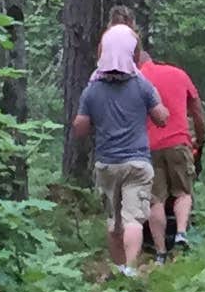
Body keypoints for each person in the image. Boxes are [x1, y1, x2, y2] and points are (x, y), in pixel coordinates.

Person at [70, 20, 167, 278]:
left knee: (115, 221)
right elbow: (161, 118)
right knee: (134, 219)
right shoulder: (142, 85)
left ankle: (119, 268)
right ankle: (131, 268)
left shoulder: (93, 89)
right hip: (137, 162)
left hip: (107, 163)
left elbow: (80, 128)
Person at [138, 32, 205, 259]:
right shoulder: (178, 74)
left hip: (148, 147)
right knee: (183, 192)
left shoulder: (136, 79)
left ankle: (159, 252)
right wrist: (200, 138)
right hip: (178, 142)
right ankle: (181, 233)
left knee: (155, 199)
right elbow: (197, 112)